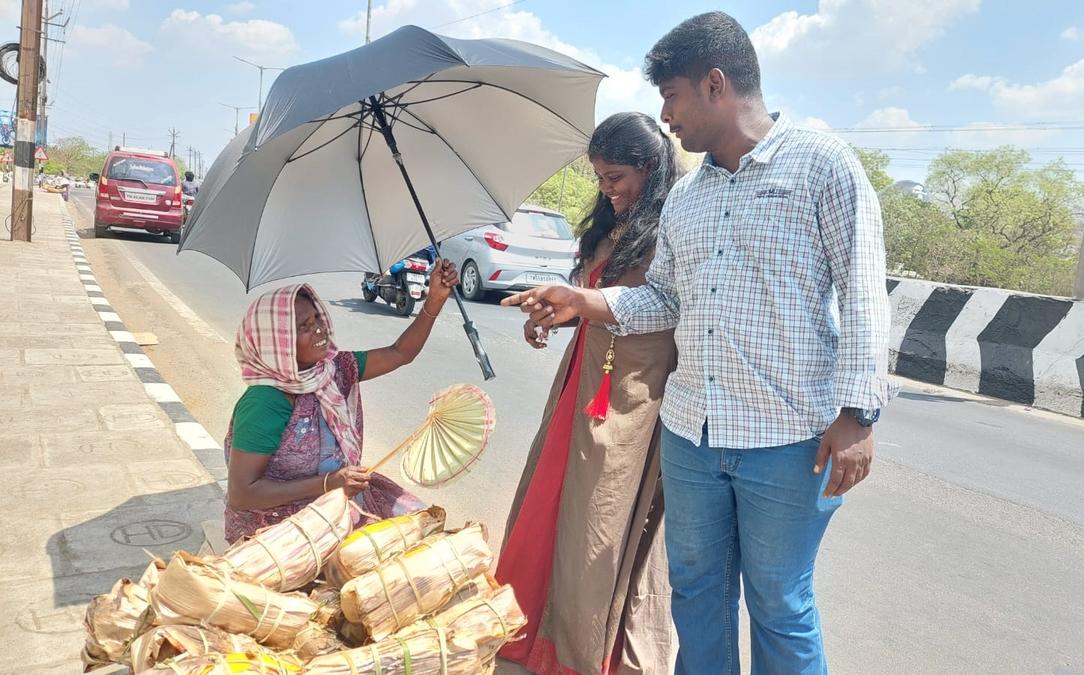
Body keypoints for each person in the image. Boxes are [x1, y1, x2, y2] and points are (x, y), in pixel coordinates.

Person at [504, 12, 898, 674]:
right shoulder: (687, 198)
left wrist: (858, 415)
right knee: (698, 598)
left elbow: (863, 293)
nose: (667, 117)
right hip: (692, 437)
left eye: (672, 96)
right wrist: (586, 301)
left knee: (780, 602)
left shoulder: (821, 166)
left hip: (789, 440)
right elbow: (662, 300)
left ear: (715, 84)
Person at [495, 112, 683, 675]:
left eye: (617, 178)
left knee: (597, 519)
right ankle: (530, 631)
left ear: (651, 169)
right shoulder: (608, 224)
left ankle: (580, 651)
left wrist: (582, 307)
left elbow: (670, 311)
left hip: (632, 394)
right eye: (600, 178)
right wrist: (555, 316)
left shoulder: (674, 227)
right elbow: (591, 303)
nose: (608, 190)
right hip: (583, 378)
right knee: (552, 498)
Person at [222, 259, 459, 543]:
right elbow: (242, 494)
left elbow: (399, 353)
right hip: (279, 529)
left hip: (335, 502)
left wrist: (434, 301)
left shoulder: (335, 369)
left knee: (424, 531)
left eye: (318, 319)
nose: (320, 330)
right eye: (305, 327)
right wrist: (328, 484)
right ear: (277, 341)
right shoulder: (266, 400)